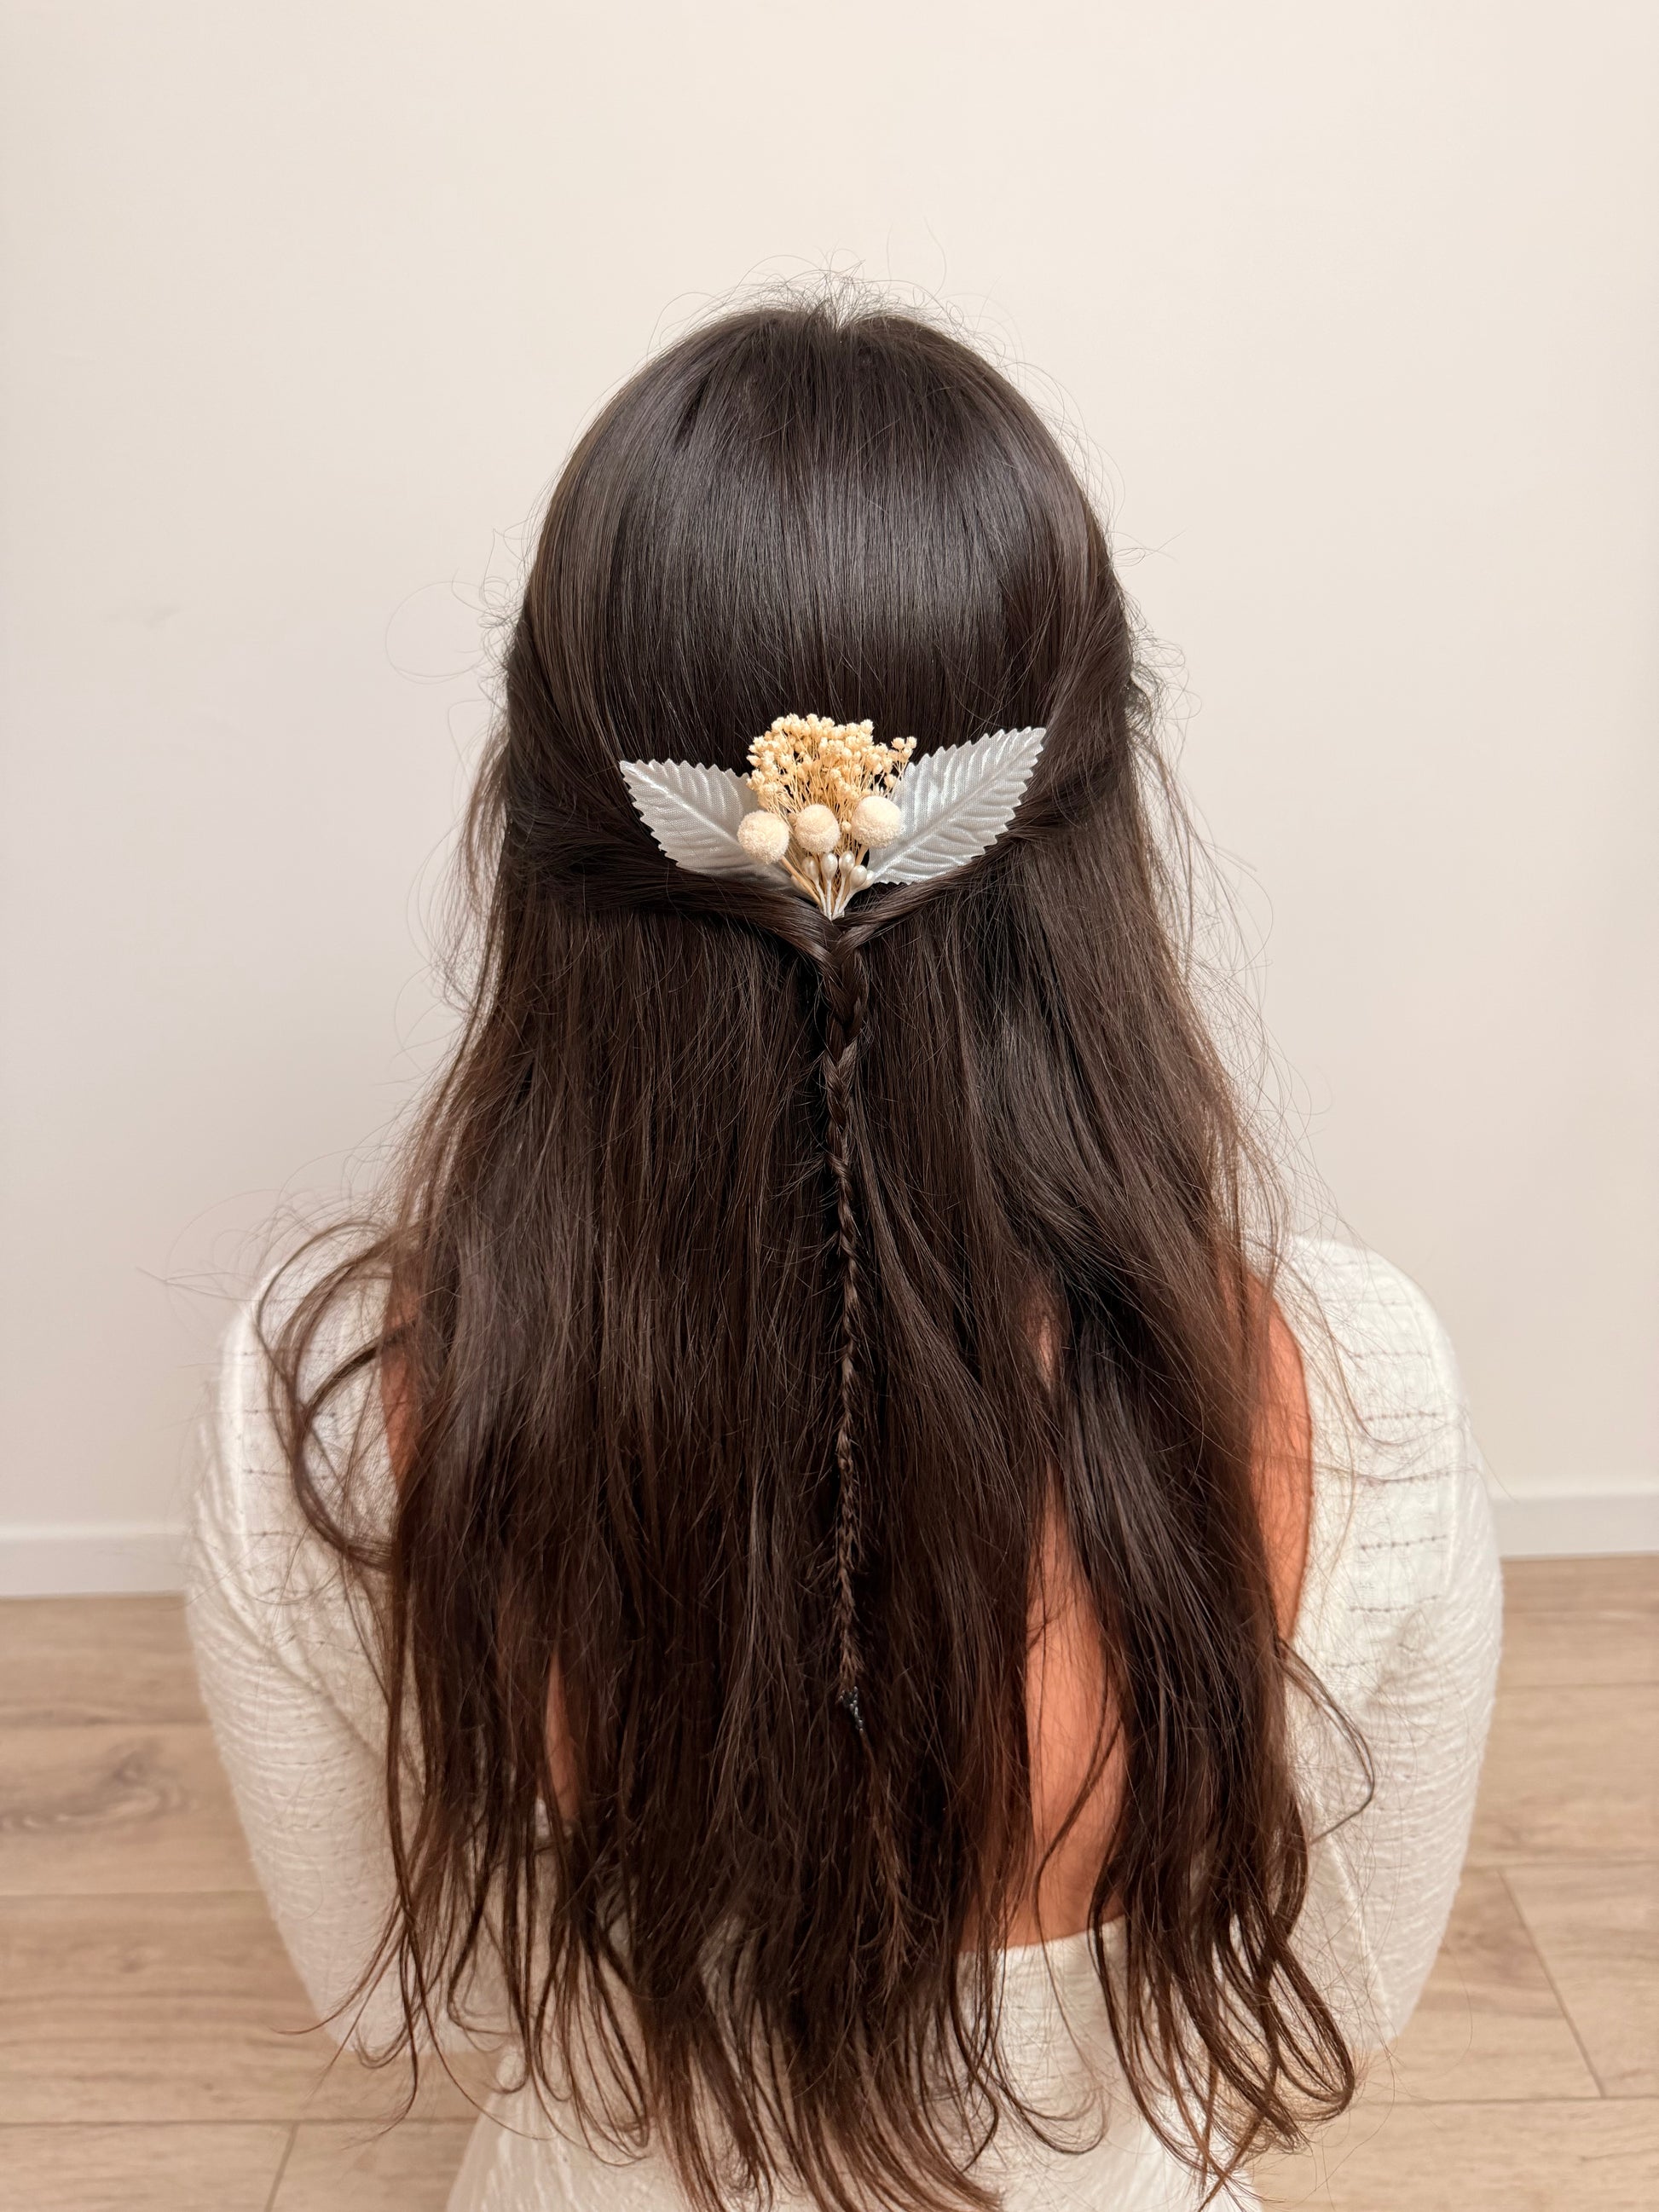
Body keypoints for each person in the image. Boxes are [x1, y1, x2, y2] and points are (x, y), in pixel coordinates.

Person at [187, 296, 1501, 2212]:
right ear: (1093, 822)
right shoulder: (1356, 1390)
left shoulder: (317, 1410)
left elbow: (404, 1993)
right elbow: (1348, 1994)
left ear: (542, 818)